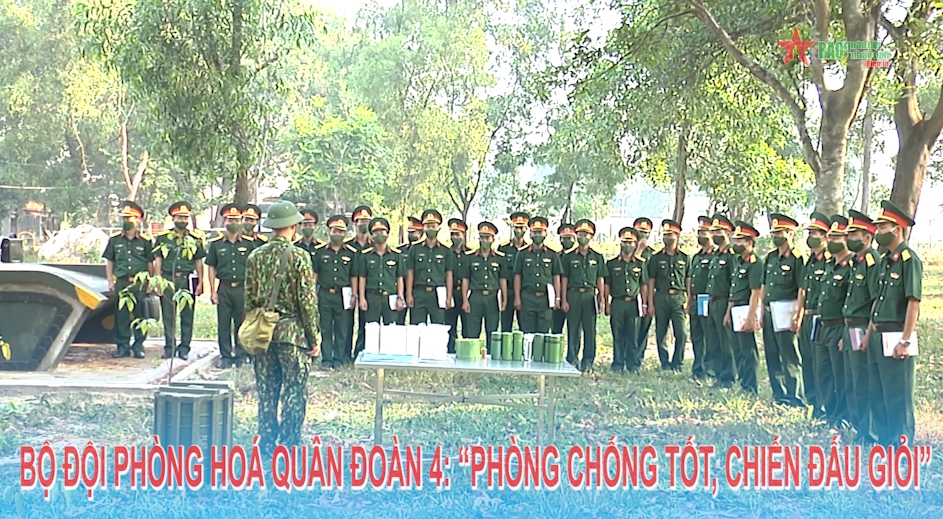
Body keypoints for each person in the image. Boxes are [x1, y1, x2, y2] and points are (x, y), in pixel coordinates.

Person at [244, 200, 320, 457]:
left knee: (267, 393)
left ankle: (266, 443)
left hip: (262, 334)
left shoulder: (255, 256)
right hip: (292, 335)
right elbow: (307, 302)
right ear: (293, 226)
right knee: (294, 392)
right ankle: (288, 445)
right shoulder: (299, 257)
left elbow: (249, 300)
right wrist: (313, 337)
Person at [867, 200, 922, 446]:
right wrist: (869, 334)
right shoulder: (884, 260)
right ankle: (884, 442)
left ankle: (902, 444)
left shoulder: (909, 260)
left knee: (898, 394)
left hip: (896, 334)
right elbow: (877, 301)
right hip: (878, 334)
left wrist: (905, 340)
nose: (877, 231)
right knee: (878, 391)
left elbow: (913, 302)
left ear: (897, 229)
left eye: (882, 227)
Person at [842, 209, 881, 441]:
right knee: (852, 381)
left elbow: (876, 300)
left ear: (867, 237)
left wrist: (868, 333)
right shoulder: (855, 262)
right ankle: (858, 426)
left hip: (863, 327)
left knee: (863, 381)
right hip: (849, 328)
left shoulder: (871, 262)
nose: (849, 238)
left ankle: (869, 431)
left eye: (854, 234)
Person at [153, 201, 205, 361]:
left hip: (187, 279)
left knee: (187, 315)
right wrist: (158, 280)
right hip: (168, 279)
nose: (182, 220)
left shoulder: (195, 238)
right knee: (168, 315)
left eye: (185, 217)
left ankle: (184, 348)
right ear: (173, 218)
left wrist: (201, 282)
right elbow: (158, 260)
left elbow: (198, 261)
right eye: (179, 217)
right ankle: (170, 347)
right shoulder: (163, 238)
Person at [762, 213, 805, 407]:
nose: (776, 236)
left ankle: (794, 395)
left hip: (787, 311)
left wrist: (798, 314)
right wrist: (761, 308)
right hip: (769, 311)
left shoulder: (797, 258)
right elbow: (764, 284)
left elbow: (802, 289)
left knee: (789, 354)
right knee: (772, 353)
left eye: (780, 232)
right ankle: (778, 393)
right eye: (774, 232)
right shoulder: (770, 257)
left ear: (790, 233)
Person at [102, 201, 154, 359]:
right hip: (122, 282)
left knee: (140, 315)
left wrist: (150, 282)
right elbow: (110, 261)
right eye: (124, 218)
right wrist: (110, 280)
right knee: (122, 316)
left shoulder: (145, 241)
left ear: (137, 221)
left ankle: (138, 346)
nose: (126, 221)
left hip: (139, 283)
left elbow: (150, 262)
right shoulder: (115, 240)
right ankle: (122, 346)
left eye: (130, 218)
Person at [813, 216, 852, 426]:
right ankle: (829, 414)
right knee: (824, 374)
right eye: (830, 236)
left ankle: (842, 416)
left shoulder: (851, 266)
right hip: (822, 325)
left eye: (837, 237)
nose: (832, 240)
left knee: (840, 375)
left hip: (839, 326)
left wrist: (846, 333)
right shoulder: (829, 265)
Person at [206, 203, 252, 368]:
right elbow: (211, 267)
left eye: (236, 220)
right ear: (224, 221)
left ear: (241, 222)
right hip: (224, 288)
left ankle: (241, 354)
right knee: (224, 323)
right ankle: (225, 355)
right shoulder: (216, 244)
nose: (233, 222)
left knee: (241, 322)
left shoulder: (249, 244)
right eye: (230, 219)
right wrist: (213, 291)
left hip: (242, 289)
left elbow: (253, 268)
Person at [311, 215, 358, 370]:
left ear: (345, 233)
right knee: (325, 328)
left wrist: (354, 295)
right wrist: (313, 293)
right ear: (329, 232)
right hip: (325, 294)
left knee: (342, 328)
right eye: (335, 231)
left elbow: (354, 276)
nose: (337, 234)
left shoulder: (351, 253)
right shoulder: (320, 252)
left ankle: (338, 358)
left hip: (343, 295)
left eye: (341, 231)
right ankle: (327, 359)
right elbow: (315, 274)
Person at [561, 219, 607, 372]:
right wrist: (563, 299)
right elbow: (564, 278)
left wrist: (602, 299)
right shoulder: (568, 256)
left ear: (591, 236)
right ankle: (572, 359)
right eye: (580, 234)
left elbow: (600, 278)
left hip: (589, 296)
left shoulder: (597, 257)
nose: (583, 237)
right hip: (573, 295)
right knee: (573, 329)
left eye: (586, 234)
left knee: (590, 330)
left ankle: (588, 362)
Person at [724, 221, 764, 395]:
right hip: (735, 308)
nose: (736, 243)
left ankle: (750, 386)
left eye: (740, 241)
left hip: (746, 309)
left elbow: (756, 292)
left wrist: (751, 316)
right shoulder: (739, 262)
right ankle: (742, 383)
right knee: (737, 349)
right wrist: (728, 312)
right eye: (736, 240)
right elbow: (734, 290)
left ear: (750, 242)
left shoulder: (755, 263)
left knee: (748, 350)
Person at [798, 212, 830, 415]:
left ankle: (823, 404)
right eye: (809, 233)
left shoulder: (829, 261)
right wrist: (798, 315)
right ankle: (812, 401)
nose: (811, 237)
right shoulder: (809, 261)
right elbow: (803, 289)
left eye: (815, 233)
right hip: (807, 316)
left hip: (821, 316)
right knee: (807, 361)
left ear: (825, 236)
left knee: (820, 365)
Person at [648, 219, 690, 371]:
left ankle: (677, 362)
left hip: (678, 298)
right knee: (661, 332)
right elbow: (651, 281)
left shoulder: (685, 258)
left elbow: (688, 280)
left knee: (682, 333)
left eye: (670, 234)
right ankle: (665, 362)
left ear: (677, 236)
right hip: (661, 297)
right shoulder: (656, 258)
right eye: (665, 234)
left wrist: (689, 301)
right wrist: (650, 303)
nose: (667, 237)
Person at [606, 227, 649, 374]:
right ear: (620, 243)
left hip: (633, 303)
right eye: (625, 242)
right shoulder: (612, 263)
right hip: (617, 302)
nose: (627, 245)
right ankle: (617, 364)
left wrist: (644, 304)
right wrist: (606, 302)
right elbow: (607, 284)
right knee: (617, 335)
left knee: (633, 336)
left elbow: (644, 285)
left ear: (635, 244)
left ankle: (633, 365)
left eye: (630, 242)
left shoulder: (640, 263)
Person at [459, 221, 508, 343]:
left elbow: (502, 279)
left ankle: (491, 354)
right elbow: (465, 279)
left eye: (487, 237)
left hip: (492, 298)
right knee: (472, 333)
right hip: (475, 297)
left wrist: (504, 299)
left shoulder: (500, 258)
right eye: (482, 237)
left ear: (493, 239)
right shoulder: (470, 257)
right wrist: (465, 300)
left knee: (492, 333)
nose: (484, 240)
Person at [513, 216, 562, 334]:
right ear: (530, 234)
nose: (537, 235)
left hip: (545, 298)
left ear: (546, 233)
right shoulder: (522, 253)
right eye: (534, 232)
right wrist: (517, 297)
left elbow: (556, 277)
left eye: (540, 232)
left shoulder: (552, 254)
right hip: (527, 297)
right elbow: (517, 276)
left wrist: (557, 298)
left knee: (543, 332)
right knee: (527, 332)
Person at [705, 214, 737, 387]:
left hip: (724, 302)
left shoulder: (731, 256)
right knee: (714, 341)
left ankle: (728, 377)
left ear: (728, 233)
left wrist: (730, 309)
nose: (714, 234)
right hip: (712, 301)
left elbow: (734, 283)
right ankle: (717, 374)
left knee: (726, 342)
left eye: (718, 231)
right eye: (713, 231)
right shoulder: (716, 255)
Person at [406, 209, 452, 325]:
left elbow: (448, 274)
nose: (430, 228)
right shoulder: (415, 248)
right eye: (428, 226)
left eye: (433, 226)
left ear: (438, 228)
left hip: (437, 294)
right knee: (417, 329)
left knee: (438, 327)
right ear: (423, 228)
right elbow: (410, 272)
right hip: (419, 293)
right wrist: (409, 294)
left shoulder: (446, 250)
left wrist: (448, 296)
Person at [356, 217, 405, 326]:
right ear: (372, 236)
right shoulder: (366, 255)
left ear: (387, 234)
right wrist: (362, 298)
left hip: (390, 297)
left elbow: (399, 278)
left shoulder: (396, 255)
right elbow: (362, 278)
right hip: (372, 297)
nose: (379, 234)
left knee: (390, 329)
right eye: (376, 232)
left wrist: (400, 297)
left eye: (382, 231)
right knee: (372, 329)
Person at [688, 216, 716, 383]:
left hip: (708, 299)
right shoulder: (696, 257)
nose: (701, 235)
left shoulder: (715, 255)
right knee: (696, 335)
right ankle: (697, 368)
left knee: (709, 336)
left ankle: (709, 368)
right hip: (695, 300)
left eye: (704, 231)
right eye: (699, 232)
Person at [347, 206, 373, 361]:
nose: (364, 224)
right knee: (347, 323)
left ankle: (362, 352)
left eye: (367, 221)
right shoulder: (347, 245)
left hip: (368, 289)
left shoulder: (374, 245)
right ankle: (346, 355)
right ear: (355, 223)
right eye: (361, 221)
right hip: (348, 289)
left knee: (365, 322)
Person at [499, 212, 531, 332]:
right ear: (512, 228)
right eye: (516, 227)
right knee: (505, 327)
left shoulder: (529, 249)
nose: (519, 230)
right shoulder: (503, 248)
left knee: (525, 327)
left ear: (526, 229)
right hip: (507, 291)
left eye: (521, 227)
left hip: (524, 293)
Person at [632, 217, 656, 366]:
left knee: (644, 328)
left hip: (648, 295)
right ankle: (629, 357)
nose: (643, 235)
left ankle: (638, 358)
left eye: (646, 232)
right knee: (632, 329)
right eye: (640, 231)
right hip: (632, 295)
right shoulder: (628, 250)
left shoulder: (652, 254)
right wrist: (639, 250)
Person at [445, 218, 470, 353]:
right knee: (450, 327)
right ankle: (450, 353)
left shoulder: (471, 253)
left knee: (468, 327)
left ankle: (465, 353)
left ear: (463, 235)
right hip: (451, 293)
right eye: (453, 234)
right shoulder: (446, 252)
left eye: (458, 234)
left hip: (467, 295)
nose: (455, 237)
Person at [396, 216, 424, 325]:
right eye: (409, 232)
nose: (410, 235)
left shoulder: (424, 250)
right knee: (398, 323)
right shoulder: (400, 250)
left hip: (417, 290)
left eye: (413, 232)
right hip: (401, 290)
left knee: (416, 324)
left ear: (421, 233)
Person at [552, 223, 577, 334]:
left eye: (569, 238)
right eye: (564, 238)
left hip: (573, 297)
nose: (566, 241)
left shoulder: (578, 256)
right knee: (556, 329)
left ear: (574, 239)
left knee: (574, 330)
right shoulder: (556, 256)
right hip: (557, 298)